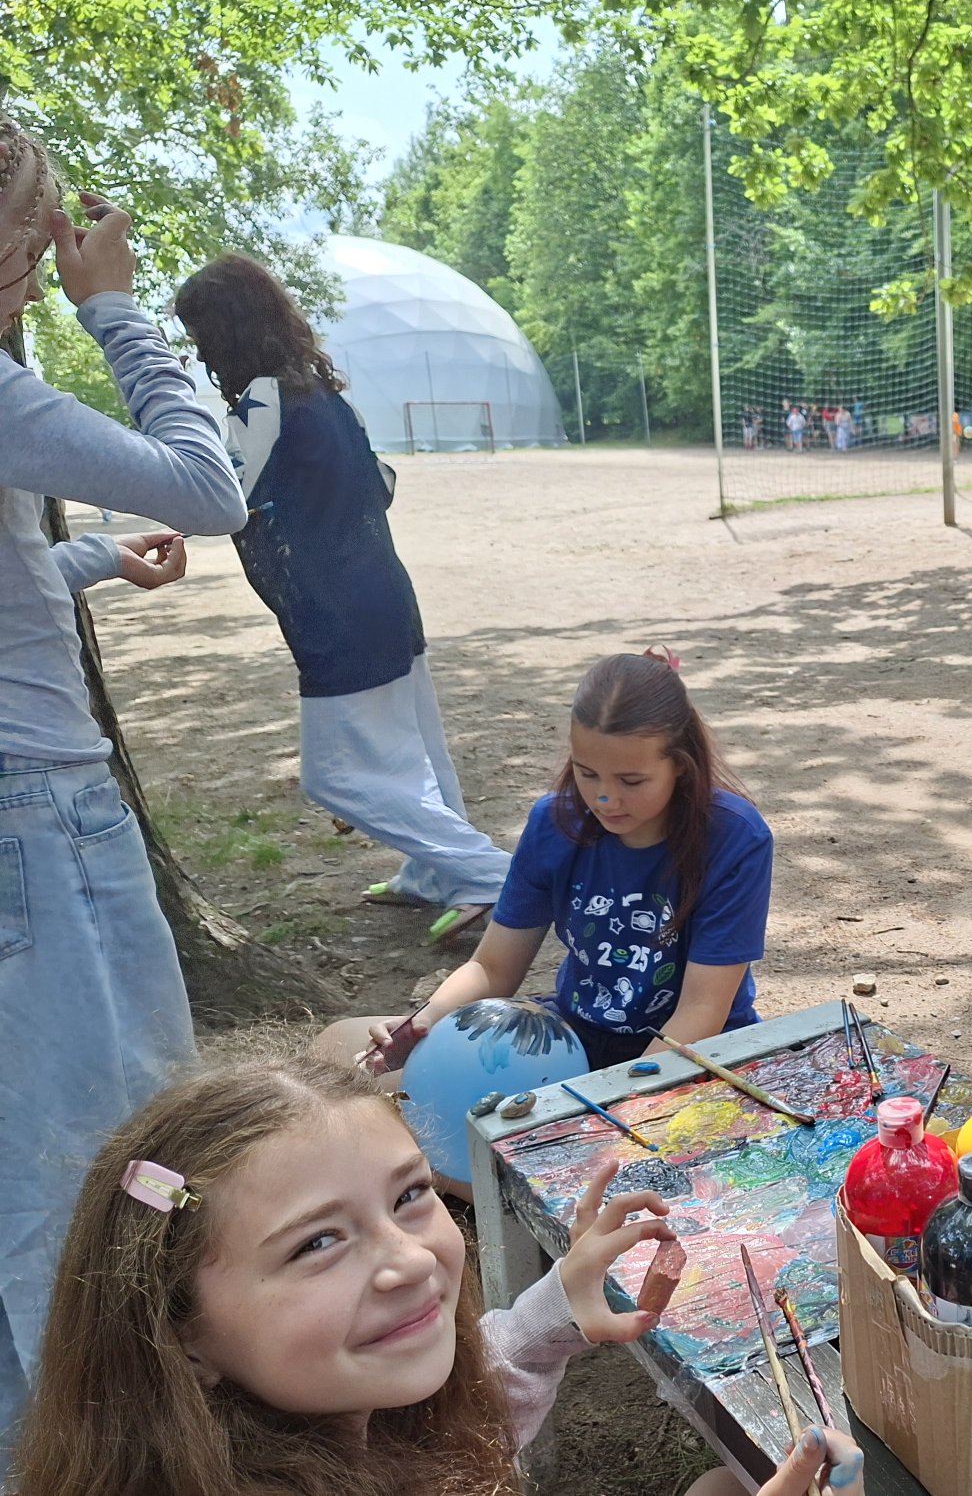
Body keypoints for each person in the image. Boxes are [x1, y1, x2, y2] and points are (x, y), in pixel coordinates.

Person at [10, 1057, 864, 1496]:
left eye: (410, 1196)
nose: (414, 1259)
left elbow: (484, 1375)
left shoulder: (327, 1415)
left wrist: (557, 1307)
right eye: (317, 1243)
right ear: (184, 1333)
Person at [0, 111, 246, 1469]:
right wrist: (115, 311)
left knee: (28, 1171)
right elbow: (211, 487)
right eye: (37, 238)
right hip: (36, 821)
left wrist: (93, 559)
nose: (48, 261)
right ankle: (115, 1462)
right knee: (111, 1172)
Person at [173, 254, 512, 944]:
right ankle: (436, 872)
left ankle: (492, 875)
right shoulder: (323, 392)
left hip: (338, 613)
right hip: (385, 594)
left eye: (201, 335)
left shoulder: (261, 400)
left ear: (228, 331)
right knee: (421, 747)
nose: (199, 352)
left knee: (330, 778)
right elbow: (380, 482)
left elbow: (217, 499)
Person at [314, 648, 775, 1078]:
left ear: (681, 765)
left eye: (631, 781)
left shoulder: (734, 837)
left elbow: (702, 1009)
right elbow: (493, 967)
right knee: (338, 1049)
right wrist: (424, 1021)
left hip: (697, 1052)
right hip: (574, 1037)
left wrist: (619, 1094)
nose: (605, 799)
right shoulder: (555, 823)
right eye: (587, 773)